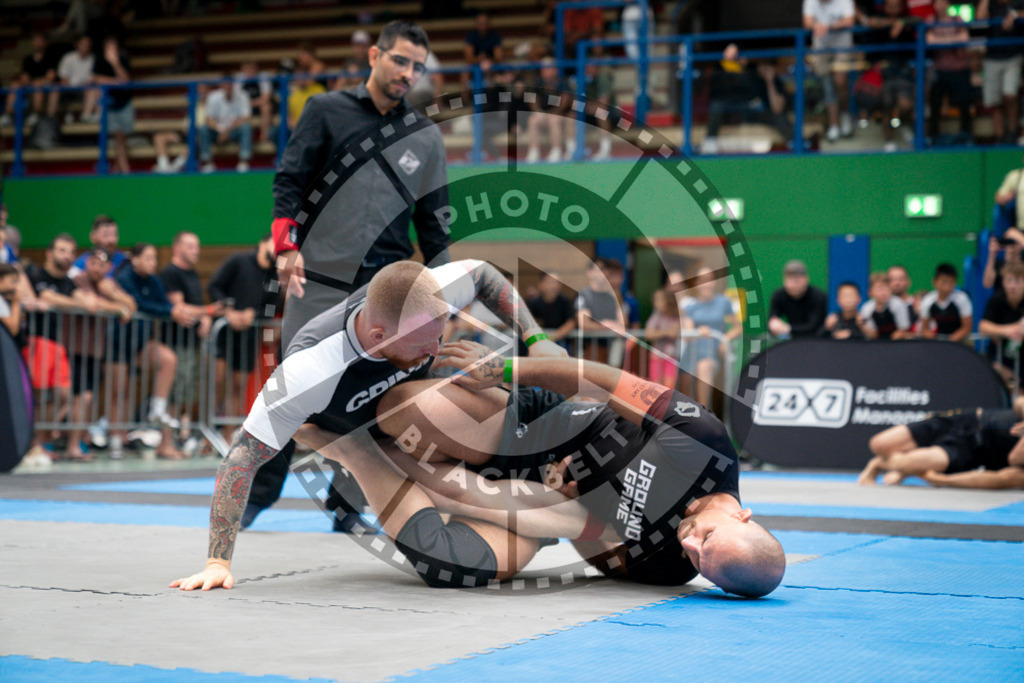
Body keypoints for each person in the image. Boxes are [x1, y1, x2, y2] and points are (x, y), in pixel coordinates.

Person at [170, 259, 567, 589]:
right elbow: (240, 459)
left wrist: (535, 339)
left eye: (439, 334)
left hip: (476, 428)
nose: (435, 350)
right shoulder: (310, 371)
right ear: (378, 335)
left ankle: (532, 486)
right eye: (422, 345)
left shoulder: (429, 295)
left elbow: (482, 273)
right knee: (447, 562)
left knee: (411, 402)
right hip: (399, 455)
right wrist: (217, 563)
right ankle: (355, 452)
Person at [358, 340, 787, 595]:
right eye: (707, 538)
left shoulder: (672, 568)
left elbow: (594, 547)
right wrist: (507, 369)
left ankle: (356, 452)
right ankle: (368, 439)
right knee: (403, 410)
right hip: (539, 428)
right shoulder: (704, 443)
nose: (690, 544)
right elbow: (605, 381)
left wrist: (574, 499)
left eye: (703, 565)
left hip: (547, 501)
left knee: (451, 565)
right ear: (741, 515)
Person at [258, 20, 453, 530]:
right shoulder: (325, 111)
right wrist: (285, 247)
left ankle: (348, 506)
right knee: (290, 389)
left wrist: (443, 298)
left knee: (378, 401)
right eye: (399, 60)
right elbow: (290, 180)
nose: (407, 73)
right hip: (318, 277)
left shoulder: (426, 137)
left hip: (385, 289)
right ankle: (255, 497)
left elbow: (434, 223)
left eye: (417, 67)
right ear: (374, 55)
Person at [113, 243, 195, 459]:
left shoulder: (154, 281)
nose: (153, 263)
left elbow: (165, 304)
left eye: (155, 258)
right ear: (135, 259)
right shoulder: (124, 278)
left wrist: (175, 311)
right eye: (148, 258)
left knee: (168, 359)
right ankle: (116, 441)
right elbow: (139, 304)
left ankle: (157, 410)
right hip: (118, 345)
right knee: (120, 392)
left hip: (141, 343)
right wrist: (170, 311)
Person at [207, 234, 279, 444]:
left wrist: (251, 316)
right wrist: (229, 311)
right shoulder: (238, 261)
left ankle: (228, 434)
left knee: (237, 386)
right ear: (262, 243)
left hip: (248, 336)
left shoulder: (274, 276)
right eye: (274, 243)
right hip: (223, 333)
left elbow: (270, 308)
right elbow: (214, 286)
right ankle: (205, 435)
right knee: (217, 381)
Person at [859, 396, 1024, 486]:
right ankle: (903, 470)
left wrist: (943, 480)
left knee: (909, 461)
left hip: (971, 450)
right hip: (969, 418)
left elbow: (1007, 470)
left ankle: (880, 464)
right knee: (878, 444)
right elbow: (1019, 402)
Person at [67, 248, 135, 461]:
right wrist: (117, 308)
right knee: (80, 398)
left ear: (108, 268)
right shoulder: (78, 280)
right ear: (87, 264)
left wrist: (115, 297)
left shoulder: (109, 284)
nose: (97, 268)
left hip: (96, 351)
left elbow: (131, 305)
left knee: (89, 398)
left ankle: (80, 441)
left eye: (101, 264)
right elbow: (92, 305)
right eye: (93, 263)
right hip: (75, 348)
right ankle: (72, 445)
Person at [161, 231, 214, 440]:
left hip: (192, 343)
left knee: (186, 392)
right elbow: (180, 307)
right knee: (174, 393)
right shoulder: (171, 273)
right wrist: (210, 311)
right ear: (177, 248)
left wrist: (206, 317)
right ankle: (166, 441)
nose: (196, 251)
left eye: (197, 246)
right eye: (191, 246)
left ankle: (177, 436)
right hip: (176, 343)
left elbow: (198, 308)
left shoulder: (192, 274)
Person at [682, 267, 742, 406]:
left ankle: (704, 412)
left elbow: (738, 327)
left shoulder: (724, 302)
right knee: (685, 388)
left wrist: (724, 339)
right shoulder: (691, 307)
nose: (706, 284)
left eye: (709, 280)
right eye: (702, 280)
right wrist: (698, 332)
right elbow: (688, 334)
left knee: (704, 367)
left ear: (714, 282)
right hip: (691, 354)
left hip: (711, 354)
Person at [803, 0, 857, 142]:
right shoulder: (810, 1)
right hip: (821, 46)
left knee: (840, 81)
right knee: (827, 86)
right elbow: (807, 22)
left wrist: (829, 26)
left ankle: (845, 115)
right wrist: (816, 25)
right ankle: (834, 125)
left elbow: (850, 20)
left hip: (842, 44)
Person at [977, 0, 1024, 144]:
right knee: (994, 101)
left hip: (1013, 55)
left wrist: (1015, 14)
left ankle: (1012, 132)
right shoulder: (991, 4)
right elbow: (980, 17)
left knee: (1010, 95)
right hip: (992, 56)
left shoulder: (1018, 3)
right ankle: (1000, 136)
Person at [926, 0, 973, 144]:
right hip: (940, 71)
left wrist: (942, 40)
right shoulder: (930, 21)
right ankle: (933, 136)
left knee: (964, 102)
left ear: (948, 4)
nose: (940, 6)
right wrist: (952, 39)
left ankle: (966, 135)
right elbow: (930, 40)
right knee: (935, 102)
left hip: (960, 69)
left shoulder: (957, 20)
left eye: (943, 2)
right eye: (937, 3)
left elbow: (964, 38)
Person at [92, 34, 133, 173]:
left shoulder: (123, 59)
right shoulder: (99, 60)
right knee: (118, 135)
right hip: (109, 104)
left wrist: (115, 63)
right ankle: (125, 169)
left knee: (122, 138)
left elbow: (125, 80)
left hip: (124, 102)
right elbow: (96, 79)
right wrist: (116, 82)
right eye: (109, 47)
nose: (112, 50)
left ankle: (117, 166)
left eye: (114, 47)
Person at [0, 32, 59, 128]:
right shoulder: (28, 59)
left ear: (45, 43)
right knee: (15, 84)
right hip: (29, 87)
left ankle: (36, 114)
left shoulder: (50, 58)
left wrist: (36, 81)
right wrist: (28, 81)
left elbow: (51, 77)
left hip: (44, 88)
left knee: (37, 85)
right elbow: (24, 76)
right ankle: (8, 114)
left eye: (40, 41)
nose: (38, 43)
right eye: (36, 41)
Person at [979, 262, 1024, 385]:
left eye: (1017, 281)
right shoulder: (996, 300)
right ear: (1003, 282)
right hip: (999, 357)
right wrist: (1008, 330)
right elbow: (983, 326)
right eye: (1009, 280)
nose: (1012, 285)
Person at [576, 259, 626, 365]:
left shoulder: (614, 295)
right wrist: (606, 326)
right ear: (589, 272)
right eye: (598, 269)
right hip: (591, 349)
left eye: (604, 269)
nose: (602, 273)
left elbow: (623, 323)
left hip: (613, 349)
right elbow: (584, 323)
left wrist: (613, 326)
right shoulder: (584, 295)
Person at [524, 58, 573, 163]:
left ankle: (556, 150)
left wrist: (552, 113)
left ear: (555, 70)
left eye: (548, 68)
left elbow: (565, 102)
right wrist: (538, 111)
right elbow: (532, 99)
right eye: (544, 69)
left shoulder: (562, 82)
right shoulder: (537, 82)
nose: (545, 71)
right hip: (544, 114)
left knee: (553, 120)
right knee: (532, 120)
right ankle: (534, 151)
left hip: (562, 114)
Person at [200, 78, 253, 173]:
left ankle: (244, 162)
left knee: (246, 127)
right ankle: (207, 162)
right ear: (221, 85)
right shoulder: (213, 96)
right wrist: (221, 129)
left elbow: (246, 118)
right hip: (217, 131)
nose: (227, 87)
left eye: (230, 84)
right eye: (225, 85)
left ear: (233, 85)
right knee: (204, 129)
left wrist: (227, 131)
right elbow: (209, 119)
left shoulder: (242, 95)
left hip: (234, 130)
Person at [768, 260, 828, 338]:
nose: (794, 284)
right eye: (790, 279)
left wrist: (788, 328)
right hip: (790, 341)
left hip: (815, 340)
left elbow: (813, 327)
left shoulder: (818, 297)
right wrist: (773, 324)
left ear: (806, 279)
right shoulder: (779, 295)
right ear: (784, 280)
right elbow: (771, 320)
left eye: (797, 280)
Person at [918, 262, 972, 341]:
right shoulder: (928, 301)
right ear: (935, 282)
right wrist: (932, 338)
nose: (947, 287)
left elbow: (966, 328)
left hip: (961, 342)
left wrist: (951, 341)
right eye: (944, 282)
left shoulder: (962, 299)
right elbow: (925, 329)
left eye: (951, 283)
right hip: (939, 343)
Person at [55, 34, 100, 124]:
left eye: (87, 45)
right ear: (77, 45)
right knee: (54, 90)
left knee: (95, 90)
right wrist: (69, 88)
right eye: (83, 44)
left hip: (85, 90)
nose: (85, 47)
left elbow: (94, 78)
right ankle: (57, 116)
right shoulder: (68, 58)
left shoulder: (93, 59)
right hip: (69, 90)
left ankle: (87, 116)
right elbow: (63, 79)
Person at [645, 287, 682, 389]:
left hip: (671, 357)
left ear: (668, 301)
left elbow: (674, 333)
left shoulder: (676, 316)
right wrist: (666, 332)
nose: (655, 303)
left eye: (659, 300)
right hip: (656, 357)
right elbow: (649, 334)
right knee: (656, 386)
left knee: (669, 385)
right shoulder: (656, 316)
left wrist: (659, 332)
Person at [526, 272, 576, 347]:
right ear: (541, 284)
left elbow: (571, 322)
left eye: (557, 282)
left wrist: (554, 336)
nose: (554, 286)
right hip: (539, 343)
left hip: (561, 343)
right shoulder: (534, 303)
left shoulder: (565, 302)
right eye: (550, 282)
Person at [69, 214, 127, 279]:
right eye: (106, 235)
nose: (111, 240)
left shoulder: (124, 260)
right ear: (93, 237)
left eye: (114, 235)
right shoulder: (81, 264)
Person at [861, 271, 912, 339]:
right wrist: (862, 326)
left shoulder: (898, 304)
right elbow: (872, 335)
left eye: (886, 288)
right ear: (870, 292)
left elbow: (904, 329)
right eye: (879, 289)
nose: (884, 293)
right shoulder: (867, 309)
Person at [235, 61, 273, 142]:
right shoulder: (239, 78)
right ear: (243, 70)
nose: (250, 71)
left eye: (252, 68)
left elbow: (266, 97)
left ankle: (264, 136)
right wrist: (246, 105)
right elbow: (236, 99)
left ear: (256, 69)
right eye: (247, 69)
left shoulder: (263, 76)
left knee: (266, 107)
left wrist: (251, 103)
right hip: (244, 107)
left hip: (257, 106)